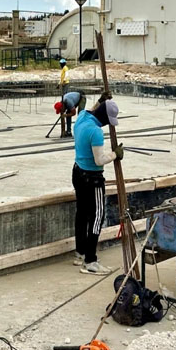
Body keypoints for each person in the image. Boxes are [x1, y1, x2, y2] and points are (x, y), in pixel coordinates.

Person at [72, 95, 123, 275]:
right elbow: (99, 159)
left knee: (82, 214)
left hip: (78, 172)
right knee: (97, 217)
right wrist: (115, 154)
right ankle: (90, 261)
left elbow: (93, 109)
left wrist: (101, 101)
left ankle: (80, 252)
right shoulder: (96, 132)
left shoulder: (82, 118)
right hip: (92, 179)